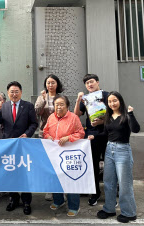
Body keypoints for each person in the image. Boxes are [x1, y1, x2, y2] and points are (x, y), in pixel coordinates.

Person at [89, 91, 140, 223]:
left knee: (124, 183)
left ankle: (129, 212)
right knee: (108, 181)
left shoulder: (126, 116)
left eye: (115, 100)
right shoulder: (109, 117)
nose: (112, 103)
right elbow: (106, 133)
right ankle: (109, 209)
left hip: (123, 150)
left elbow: (136, 129)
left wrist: (131, 113)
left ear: (120, 101)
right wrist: (94, 136)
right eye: (110, 101)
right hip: (109, 150)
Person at [0, 81, 38, 215]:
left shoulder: (28, 106)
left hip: (23, 144)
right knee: (10, 173)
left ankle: (26, 201)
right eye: (11, 92)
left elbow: (34, 123)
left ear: (21, 92)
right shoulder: (4, 106)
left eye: (16, 91)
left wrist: (27, 134)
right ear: (8, 93)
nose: (14, 94)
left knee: (24, 173)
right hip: (8, 145)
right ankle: (13, 199)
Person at [43, 95, 85, 217]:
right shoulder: (51, 117)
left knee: (71, 180)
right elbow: (45, 131)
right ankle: (58, 201)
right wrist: (48, 136)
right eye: (57, 104)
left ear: (67, 106)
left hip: (69, 154)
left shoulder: (74, 118)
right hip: (54, 154)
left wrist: (69, 138)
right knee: (55, 178)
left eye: (62, 104)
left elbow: (81, 133)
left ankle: (73, 206)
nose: (59, 107)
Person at [74, 74, 108, 206]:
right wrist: (78, 100)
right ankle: (95, 193)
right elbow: (76, 115)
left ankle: (110, 193)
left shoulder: (107, 95)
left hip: (106, 134)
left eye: (92, 82)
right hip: (91, 135)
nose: (90, 84)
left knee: (109, 166)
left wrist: (102, 121)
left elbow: (115, 113)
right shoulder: (86, 98)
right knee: (92, 166)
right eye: (87, 83)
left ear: (98, 82)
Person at [35, 74, 63, 201]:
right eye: (48, 83)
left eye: (53, 82)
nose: (50, 85)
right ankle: (49, 189)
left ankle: (60, 188)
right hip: (44, 133)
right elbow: (37, 112)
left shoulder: (62, 97)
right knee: (47, 162)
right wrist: (44, 100)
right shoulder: (41, 97)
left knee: (59, 162)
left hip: (59, 134)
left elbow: (66, 113)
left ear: (57, 84)